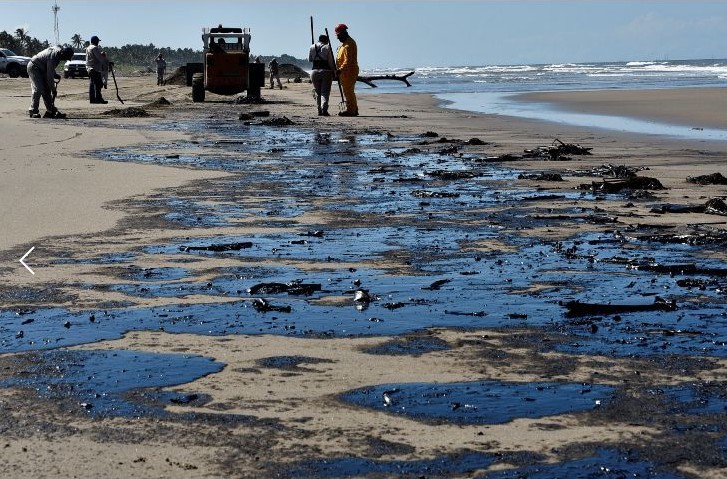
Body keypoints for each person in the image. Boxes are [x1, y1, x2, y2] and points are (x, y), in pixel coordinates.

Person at [26, 45, 74, 119]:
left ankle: (50, 111)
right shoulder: (54, 56)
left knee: (47, 91)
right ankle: (33, 111)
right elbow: (49, 77)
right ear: (63, 55)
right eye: (65, 58)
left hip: (42, 69)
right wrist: (53, 89)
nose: (65, 60)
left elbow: (49, 68)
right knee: (38, 88)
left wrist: (54, 74)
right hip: (34, 67)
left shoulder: (58, 53)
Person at [334, 23, 359, 116]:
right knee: (348, 90)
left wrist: (340, 69)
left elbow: (347, 61)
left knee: (348, 91)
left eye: (338, 35)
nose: (337, 38)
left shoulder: (348, 45)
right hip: (345, 72)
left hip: (349, 71)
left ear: (344, 33)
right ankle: (354, 108)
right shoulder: (344, 45)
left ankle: (351, 110)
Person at [308, 34, 335, 116]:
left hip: (314, 72)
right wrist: (334, 71)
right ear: (326, 40)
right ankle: (324, 109)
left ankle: (319, 109)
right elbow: (330, 62)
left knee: (317, 92)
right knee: (325, 92)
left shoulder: (312, 47)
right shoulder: (327, 47)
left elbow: (310, 59)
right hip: (325, 71)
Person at [85, 35, 107, 104]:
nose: (98, 43)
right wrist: (103, 55)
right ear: (96, 41)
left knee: (92, 84)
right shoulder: (95, 48)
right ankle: (98, 99)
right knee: (98, 84)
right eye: (98, 41)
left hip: (89, 67)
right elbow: (100, 58)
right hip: (95, 68)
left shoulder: (88, 48)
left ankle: (92, 99)